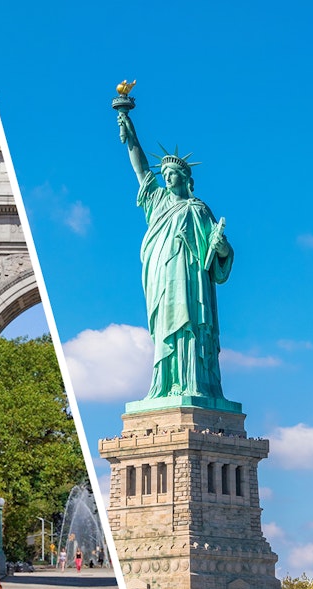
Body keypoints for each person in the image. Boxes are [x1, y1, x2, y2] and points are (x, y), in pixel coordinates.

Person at [118, 109, 234, 400]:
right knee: (165, 327)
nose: (167, 179)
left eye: (172, 175)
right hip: (162, 275)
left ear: (184, 178)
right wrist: (130, 132)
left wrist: (220, 247)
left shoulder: (199, 209)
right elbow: (141, 169)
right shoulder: (156, 201)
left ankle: (194, 384)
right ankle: (165, 384)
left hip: (191, 279)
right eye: (165, 175)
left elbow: (220, 253)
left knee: (191, 327)